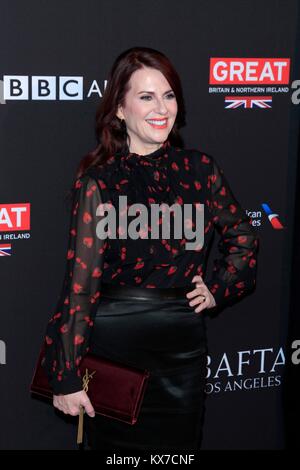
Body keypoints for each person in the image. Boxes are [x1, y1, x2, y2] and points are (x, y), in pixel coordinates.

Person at [42, 46, 259, 452]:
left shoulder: (200, 170)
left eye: (169, 95)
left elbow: (243, 240)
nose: (161, 108)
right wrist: (67, 373)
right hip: (114, 349)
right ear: (120, 110)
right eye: (146, 97)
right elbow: (80, 286)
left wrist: (218, 287)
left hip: (182, 351)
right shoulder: (100, 183)